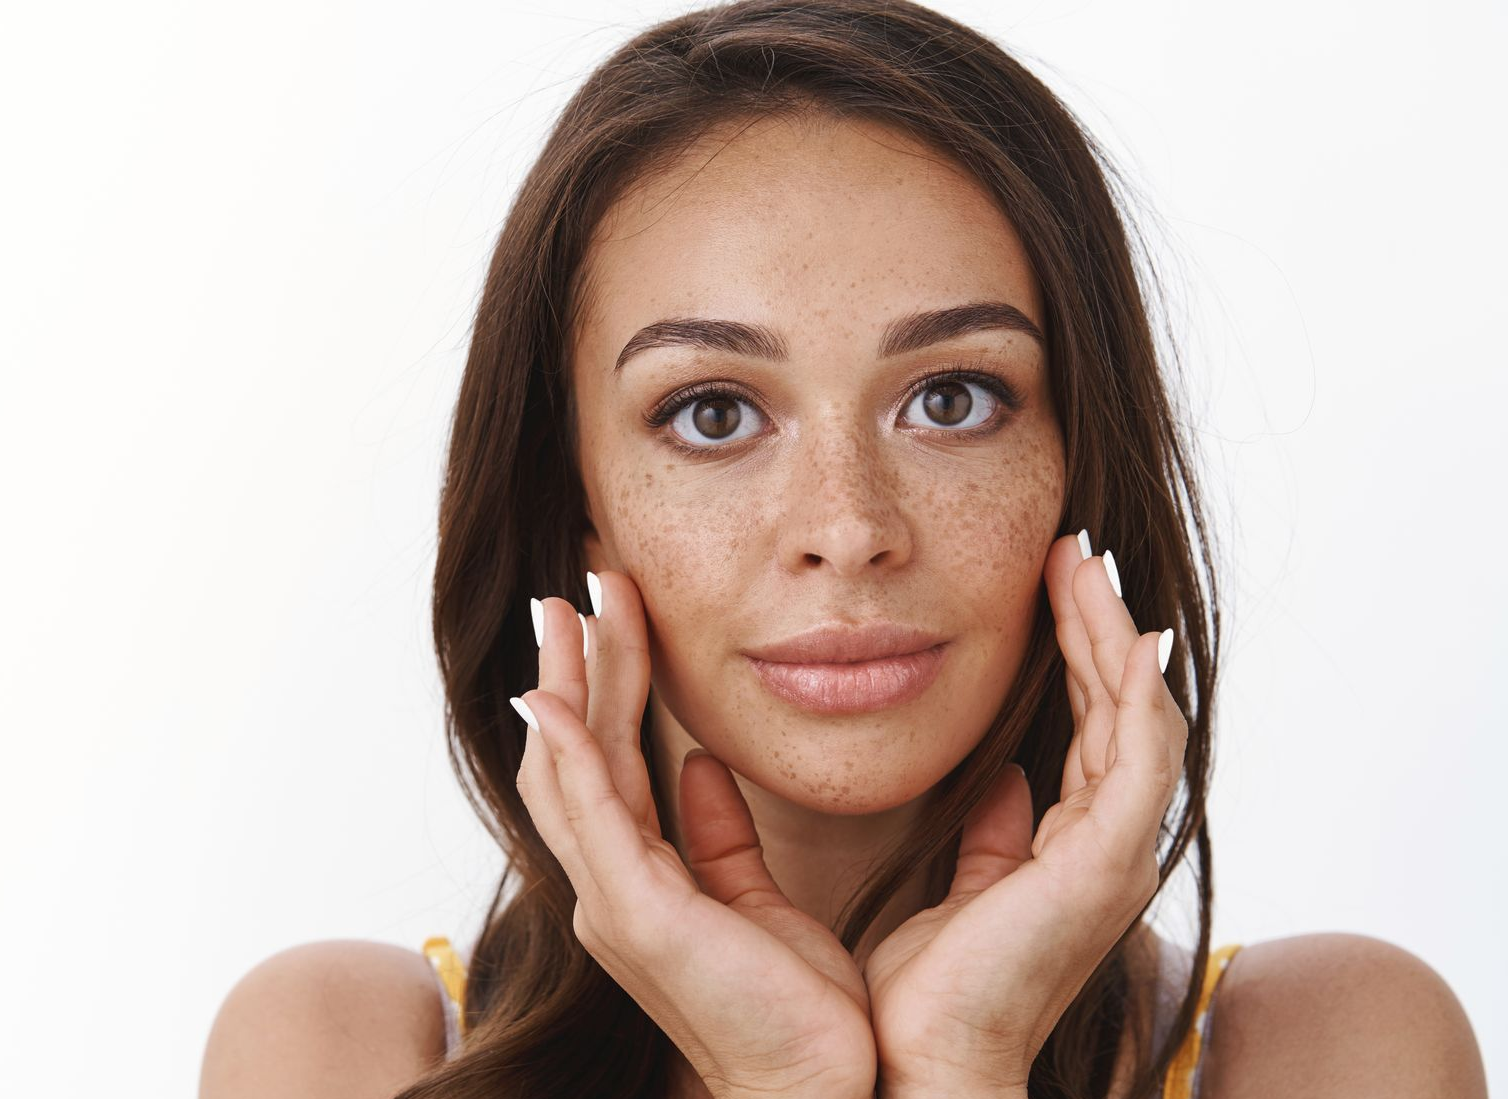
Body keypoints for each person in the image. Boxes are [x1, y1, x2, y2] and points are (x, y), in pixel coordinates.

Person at [199, 2, 1488, 1097]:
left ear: (1079, 465)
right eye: (713, 414)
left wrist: (966, 1068)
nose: (848, 529)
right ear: (572, 497)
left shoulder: (1333, 1051)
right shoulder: (344, 1054)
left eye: (953, 399)